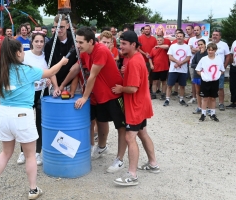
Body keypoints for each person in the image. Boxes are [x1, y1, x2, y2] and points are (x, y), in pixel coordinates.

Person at [0, 38, 68, 199]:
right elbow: (50, 72)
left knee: (5, 153)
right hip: (22, 114)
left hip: (3, 114)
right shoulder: (28, 70)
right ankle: (33, 189)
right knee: (30, 155)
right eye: (22, 51)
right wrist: (63, 62)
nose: (24, 53)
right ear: (17, 53)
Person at [67, 27, 127, 173]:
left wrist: (84, 97)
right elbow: (75, 69)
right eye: (77, 41)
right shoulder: (84, 52)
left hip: (114, 93)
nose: (78, 45)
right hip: (100, 95)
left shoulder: (100, 51)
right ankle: (102, 147)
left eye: (80, 42)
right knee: (101, 122)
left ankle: (120, 159)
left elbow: (92, 76)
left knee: (121, 127)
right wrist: (62, 85)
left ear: (91, 42)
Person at [112, 30, 159, 186]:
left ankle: (132, 175)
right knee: (142, 133)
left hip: (135, 105)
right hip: (141, 104)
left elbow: (132, 88)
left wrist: (120, 88)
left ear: (133, 44)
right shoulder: (136, 58)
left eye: (124, 44)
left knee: (129, 138)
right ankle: (153, 164)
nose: (121, 47)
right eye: (120, 44)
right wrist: (126, 73)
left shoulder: (133, 61)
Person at [17, 32, 54, 165]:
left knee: (39, 122)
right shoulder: (25, 55)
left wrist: (49, 79)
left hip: (42, 92)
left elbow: (50, 72)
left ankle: (37, 152)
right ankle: (23, 151)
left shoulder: (46, 57)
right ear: (32, 42)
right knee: (25, 122)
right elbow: (18, 72)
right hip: (27, 93)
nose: (39, 44)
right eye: (36, 41)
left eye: (41, 42)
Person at [44, 14, 78, 95]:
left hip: (73, 84)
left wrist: (72, 90)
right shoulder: (49, 45)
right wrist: (56, 87)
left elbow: (78, 66)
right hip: (56, 83)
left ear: (67, 26)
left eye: (61, 27)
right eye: (56, 27)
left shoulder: (76, 40)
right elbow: (51, 67)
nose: (58, 30)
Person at [195, 43, 225, 122]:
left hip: (214, 81)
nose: (210, 52)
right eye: (209, 50)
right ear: (207, 50)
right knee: (205, 98)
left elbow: (222, 70)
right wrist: (203, 75)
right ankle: (203, 114)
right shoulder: (204, 59)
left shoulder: (218, 59)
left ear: (215, 51)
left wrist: (218, 75)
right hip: (205, 81)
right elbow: (198, 69)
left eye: (212, 50)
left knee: (213, 98)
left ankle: (213, 114)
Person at [163, 32, 191, 107]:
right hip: (173, 69)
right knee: (169, 85)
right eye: (177, 36)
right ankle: (167, 99)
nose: (179, 37)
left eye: (181, 36)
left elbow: (188, 57)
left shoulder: (187, 47)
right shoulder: (173, 46)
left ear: (183, 37)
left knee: (182, 85)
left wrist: (180, 63)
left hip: (183, 70)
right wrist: (177, 61)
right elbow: (170, 57)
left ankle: (181, 99)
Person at [211, 30, 230, 111]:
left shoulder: (224, 45)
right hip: (210, 70)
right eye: (213, 35)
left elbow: (228, 56)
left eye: (217, 35)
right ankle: (210, 103)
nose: (215, 36)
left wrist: (224, 67)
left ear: (220, 36)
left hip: (219, 70)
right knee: (210, 87)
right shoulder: (209, 44)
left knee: (220, 87)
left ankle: (221, 103)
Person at [188, 26, 206, 104]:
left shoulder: (205, 38)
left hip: (204, 66)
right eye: (194, 30)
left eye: (197, 30)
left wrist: (196, 49)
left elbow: (204, 49)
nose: (196, 31)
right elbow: (190, 50)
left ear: (200, 30)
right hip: (193, 62)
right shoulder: (191, 39)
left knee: (204, 81)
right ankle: (194, 97)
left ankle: (204, 97)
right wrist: (198, 50)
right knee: (194, 81)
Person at [191, 39, 208, 114]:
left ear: (205, 44)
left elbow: (208, 64)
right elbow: (192, 64)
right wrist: (200, 67)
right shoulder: (197, 54)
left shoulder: (208, 53)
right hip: (197, 75)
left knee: (206, 92)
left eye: (201, 44)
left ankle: (206, 107)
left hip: (205, 75)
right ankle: (199, 107)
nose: (200, 46)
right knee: (198, 92)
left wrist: (199, 66)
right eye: (199, 45)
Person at [227, 39, 236, 108]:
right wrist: (231, 64)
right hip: (234, 66)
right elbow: (231, 54)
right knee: (233, 85)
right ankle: (234, 102)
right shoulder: (234, 42)